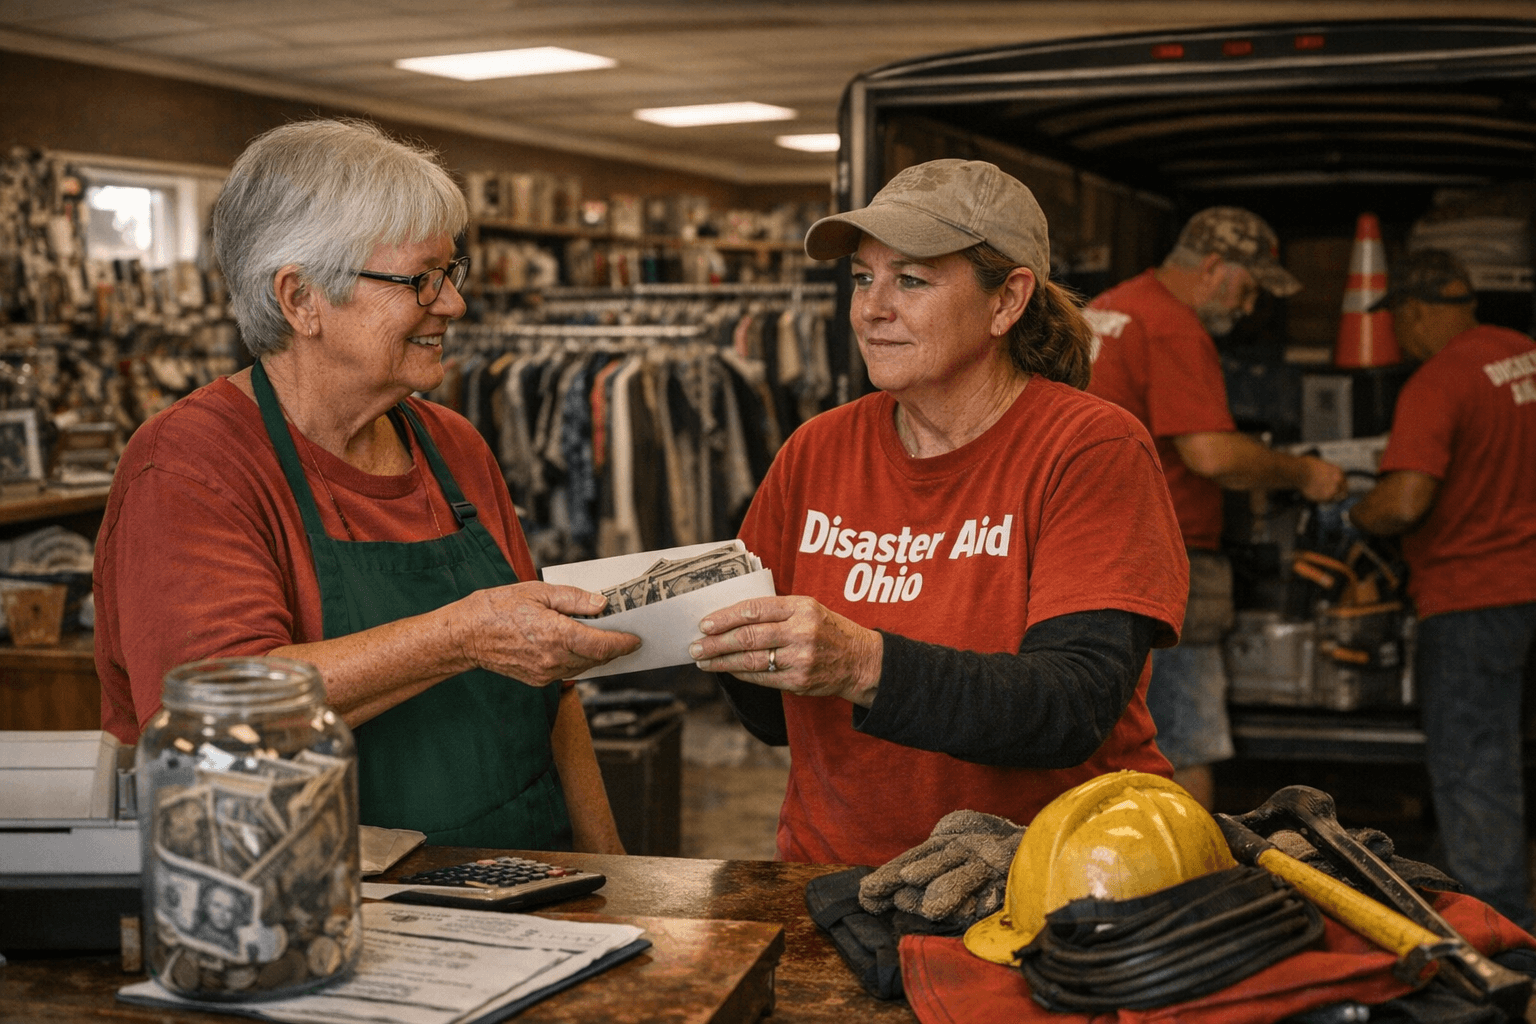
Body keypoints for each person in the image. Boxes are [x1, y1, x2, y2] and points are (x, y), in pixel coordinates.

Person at [94, 119, 640, 853]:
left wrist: (615, 873)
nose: (453, 304)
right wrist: (463, 635)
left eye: (452, 272)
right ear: (301, 300)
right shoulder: (191, 467)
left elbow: (553, 688)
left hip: (535, 883)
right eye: (420, 279)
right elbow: (216, 717)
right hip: (327, 911)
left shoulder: (453, 443)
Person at [687, 158, 1189, 868]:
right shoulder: (818, 449)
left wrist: (861, 662)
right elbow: (774, 720)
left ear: (1007, 300)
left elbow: (1073, 706)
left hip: (1050, 883)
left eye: (912, 280)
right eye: (863, 277)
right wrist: (693, 631)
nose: (871, 308)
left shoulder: (1090, 448)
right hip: (837, 882)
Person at [1084, 207, 1349, 809]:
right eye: (1248, 287)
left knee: (1108, 733)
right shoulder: (1171, 325)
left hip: (1086, 556)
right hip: (1162, 560)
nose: (1249, 307)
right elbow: (1210, 454)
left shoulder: (1106, 309)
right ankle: (1191, 888)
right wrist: (1303, 473)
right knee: (1181, 741)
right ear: (1212, 267)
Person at [1348, 248, 1536, 929]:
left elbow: (1402, 503)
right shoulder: (1524, 355)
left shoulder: (1440, 379)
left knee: (1477, 769)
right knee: (1509, 760)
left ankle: (1501, 942)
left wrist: (1353, 514)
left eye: (1399, 319)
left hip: (1473, 597)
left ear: (1418, 311)